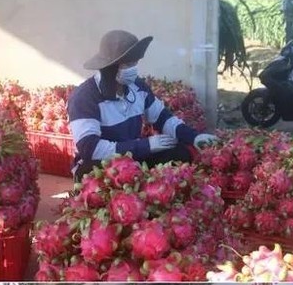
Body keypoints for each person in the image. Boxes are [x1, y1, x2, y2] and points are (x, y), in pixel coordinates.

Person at [68, 29, 218, 182]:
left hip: (130, 161)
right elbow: (90, 149)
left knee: (179, 153)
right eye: (128, 64)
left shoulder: (137, 87)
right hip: (97, 165)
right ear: (110, 67)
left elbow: (163, 118)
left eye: (135, 63)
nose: (134, 68)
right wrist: (145, 146)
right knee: (97, 172)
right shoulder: (84, 98)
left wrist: (194, 137)